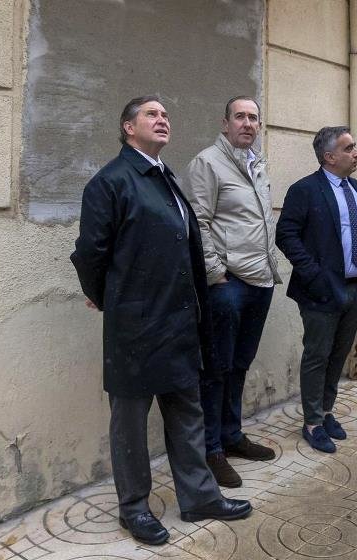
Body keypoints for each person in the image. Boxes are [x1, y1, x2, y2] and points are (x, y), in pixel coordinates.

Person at [70, 95, 252, 546]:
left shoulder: (165, 178)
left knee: (187, 411)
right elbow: (89, 253)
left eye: (166, 114)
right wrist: (105, 297)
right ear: (127, 127)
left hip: (179, 323)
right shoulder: (111, 182)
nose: (163, 119)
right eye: (151, 114)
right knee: (129, 423)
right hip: (135, 327)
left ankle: (199, 496)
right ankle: (133, 509)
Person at [181, 96, 279, 488]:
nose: (247, 123)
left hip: (260, 280)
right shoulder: (208, 162)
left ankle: (232, 435)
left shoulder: (257, 163)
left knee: (239, 364)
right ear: (225, 124)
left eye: (254, 118)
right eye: (240, 117)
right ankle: (211, 449)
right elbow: (197, 222)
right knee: (217, 368)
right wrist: (216, 274)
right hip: (228, 284)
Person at [276, 126, 357, 453]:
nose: (356, 153)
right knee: (317, 356)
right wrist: (314, 275)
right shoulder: (305, 190)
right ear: (329, 157)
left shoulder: (355, 187)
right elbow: (286, 235)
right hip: (320, 291)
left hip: (353, 289)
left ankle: (327, 410)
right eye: (349, 148)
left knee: (338, 355)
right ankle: (313, 422)